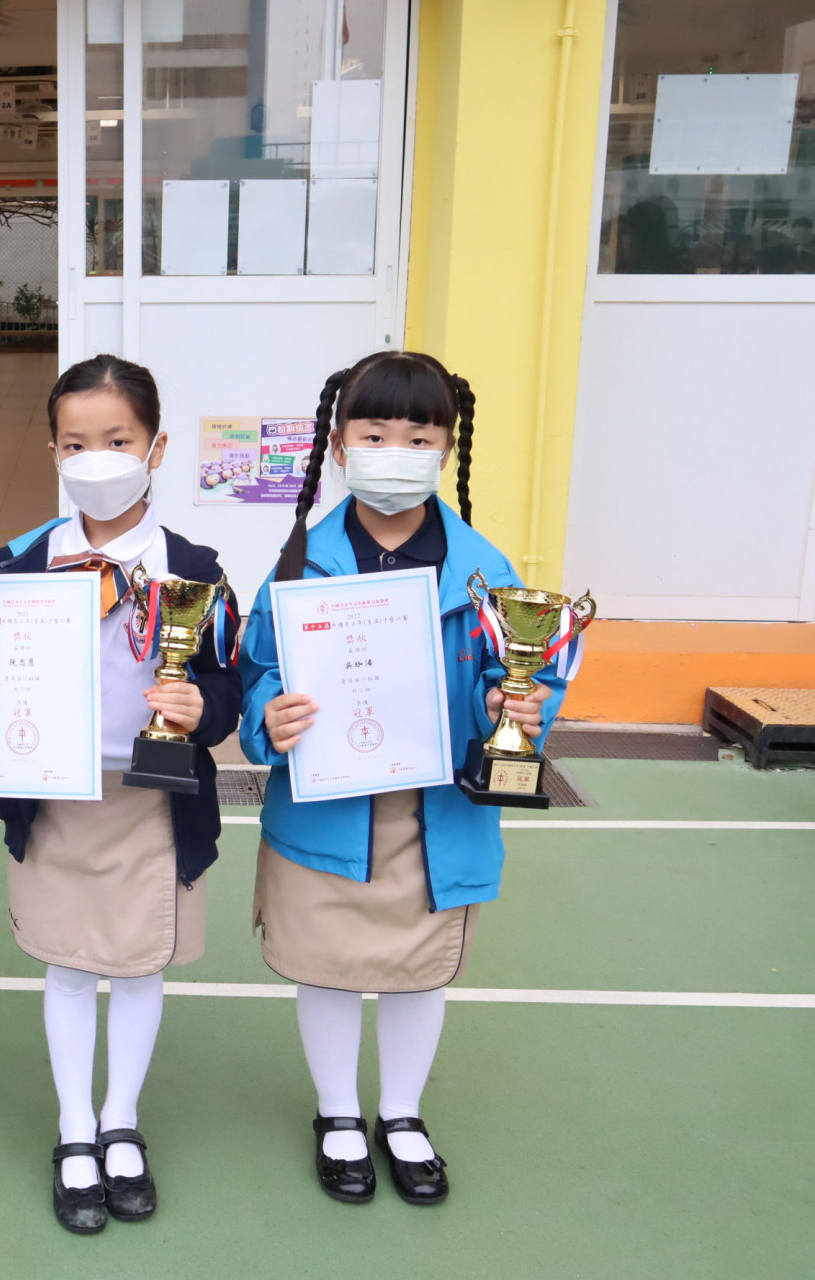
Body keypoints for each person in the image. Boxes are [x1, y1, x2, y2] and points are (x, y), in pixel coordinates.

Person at [238, 351, 570, 1207]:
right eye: (375, 433)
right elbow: (257, 671)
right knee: (326, 966)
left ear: (447, 447)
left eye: (418, 437)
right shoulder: (299, 562)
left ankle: (402, 1113)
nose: (396, 452)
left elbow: (530, 674)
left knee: (422, 969)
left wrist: (517, 708)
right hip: (326, 809)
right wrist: (270, 719)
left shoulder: (486, 569)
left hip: (438, 813)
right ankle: (338, 1113)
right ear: (340, 445)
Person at [0, 355, 241, 1234]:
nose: (96, 459)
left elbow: (229, 684)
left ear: (156, 448)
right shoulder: (24, 561)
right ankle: (75, 1127)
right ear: (53, 453)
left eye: (117, 440)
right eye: (76, 444)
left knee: (141, 966)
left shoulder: (197, 568)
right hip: (56, 795)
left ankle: (121, 1121)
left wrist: (204, 707)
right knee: (67, 966)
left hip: (153, 799)